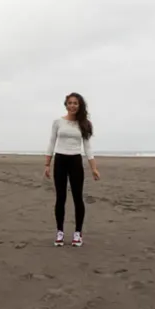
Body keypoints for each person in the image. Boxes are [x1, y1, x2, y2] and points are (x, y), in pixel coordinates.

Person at [43, 92, 100, 247]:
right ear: (66, 105)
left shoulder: (84, 124)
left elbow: (88, 147)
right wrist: (47, 164)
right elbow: (51, 143)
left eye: (76, 103)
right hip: (60, 160)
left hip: (75, 161)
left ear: (79, 105)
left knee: (77, 197)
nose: (73, 105)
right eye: (70, 103)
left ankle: (77, 233)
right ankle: (60, 232)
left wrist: (93, 168)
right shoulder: (58, 122)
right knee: (60, 198)